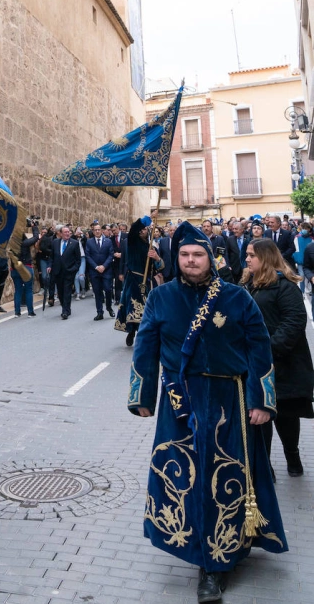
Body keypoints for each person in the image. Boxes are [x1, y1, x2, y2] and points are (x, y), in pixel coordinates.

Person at [128, 221, 287, 604]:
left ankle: (216, 562)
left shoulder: (235, 298)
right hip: (178, 401)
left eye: (197, 254)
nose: (190, 261)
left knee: (224, 478)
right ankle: (196, 548)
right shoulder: (161, 298)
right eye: (183, 254)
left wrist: (261, 401)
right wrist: (142, 395)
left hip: (227, 400)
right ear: (175, 257)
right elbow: (145, 347)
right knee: (184, 476)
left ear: (210, 258)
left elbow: (259, 348)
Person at [241, 238, 313, 478]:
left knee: (286, 415)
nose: (247, 259)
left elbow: (294, 322)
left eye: (252, 255)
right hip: (257, 367)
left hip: (284, 364)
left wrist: (268, 350)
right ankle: (265, 467)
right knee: (259, 416)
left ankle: (293, 456)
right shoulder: (249, 285)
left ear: (267, 257)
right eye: (247, 255)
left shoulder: (285, 286)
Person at [114, 213, 163, 346]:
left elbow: (159, 266)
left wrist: (156, 258)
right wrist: (148, 218)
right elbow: (135, 227)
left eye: (145, 229)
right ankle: (131, 331)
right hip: (134, 280)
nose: (142, 231)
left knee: (147, 309)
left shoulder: (150, 246)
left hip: (147, 282)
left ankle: (144, 334)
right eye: (141, 229)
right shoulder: (132, 242)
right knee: (133, 307)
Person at [51, 225, 81, 320]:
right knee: (60, 292)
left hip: (69, 272)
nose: (67, 234)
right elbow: (51, 257)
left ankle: (65, 311)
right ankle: (66, 308)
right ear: (60, 234)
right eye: (65, 232)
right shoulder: (55, 243)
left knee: (67, 291)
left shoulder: (74, 243)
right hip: (58, 271)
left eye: (68, 232)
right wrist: (49, 266)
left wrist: (74, 269)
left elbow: (78, 260)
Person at [86, 222, 115, 320]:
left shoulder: (108, 241)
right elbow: (88, 256)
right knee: (97, 292)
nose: (97, 231)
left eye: (99, 229)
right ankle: (99, 312)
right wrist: (96, 267)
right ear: (93, 231)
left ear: (101, 231)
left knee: (107, 289)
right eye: (95, 230)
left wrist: (104, 266)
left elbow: (111, 255)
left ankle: (109, 307)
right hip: (94, 271)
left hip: (106, 270)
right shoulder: (89, 242)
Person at [10, 222, 39, 318]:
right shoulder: (25, 244)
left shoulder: (12, 245)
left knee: (18, 290)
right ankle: (30, 312)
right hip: (26, 267)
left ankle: (17, 312)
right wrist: (34, 226)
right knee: (28, 290)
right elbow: (35, 237)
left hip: (14, 269)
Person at [292, 221, 313, 295]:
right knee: (306, 276)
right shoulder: (309, 238)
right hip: (305, 260)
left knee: (305, 276)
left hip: (304, 260)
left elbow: (296, 250)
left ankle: (305, 291)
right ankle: (306, 291)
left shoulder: (298, 237)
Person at [225, 220, 248, 284]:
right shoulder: (230, 239)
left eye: (236, 229)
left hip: (246, 267)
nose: (234, 231)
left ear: (242, 229)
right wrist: (228, 265)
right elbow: (226, 253)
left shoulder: (248, 238)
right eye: (233, 229)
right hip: (234, 268)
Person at [73, 227, 88, 299]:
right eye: (77, 231)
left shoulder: (83, 239)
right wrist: (75, 235)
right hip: (75, 259)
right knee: (76, 277)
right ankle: (78, 293)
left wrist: (82, 235)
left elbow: (85, 240)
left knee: (81, 277)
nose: (79, 232)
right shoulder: (73, 240)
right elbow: (71, 238)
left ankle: (83, 289)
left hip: (82, 258)